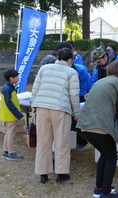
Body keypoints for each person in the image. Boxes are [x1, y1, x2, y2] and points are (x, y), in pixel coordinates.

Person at [76, 60, 118, 198]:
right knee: (111, 157)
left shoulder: (100, 82)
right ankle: (106, 193)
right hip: (100, 126)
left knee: (105, 155)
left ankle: (100, 188)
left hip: (85, 126)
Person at [31, 47, 80, 184]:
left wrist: (34, 106)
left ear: (57, 57)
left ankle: (43, 173)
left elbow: (35, 89)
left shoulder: (44, 69)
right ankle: (61, 172)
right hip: (60, 109)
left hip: (41, 107)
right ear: (70, 59)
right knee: (61, 142)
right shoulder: (72, 72)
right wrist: (76, 113)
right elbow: (74, 96)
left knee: (43, 141)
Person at [0, 69, 24, 160]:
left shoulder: (9, 87)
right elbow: (9, 104)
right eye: (16, 76)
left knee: (8, 133)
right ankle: (11, 153)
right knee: (11, 134)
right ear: (11, 78)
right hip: (10, 115)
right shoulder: (8, 88)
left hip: (9, 114)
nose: (18, 78)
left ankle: (6, 152)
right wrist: (19, 115)